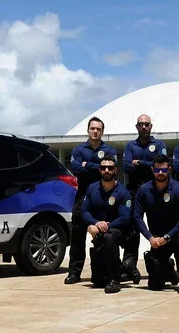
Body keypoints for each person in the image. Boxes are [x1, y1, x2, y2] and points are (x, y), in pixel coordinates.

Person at [65, 117, 118, 284]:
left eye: (98, 129)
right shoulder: (79, 149)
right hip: (83, 196)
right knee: (78, 236)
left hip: (103, 197)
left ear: (102, 131)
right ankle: (74, 273)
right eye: (93, 128)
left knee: (106, 234)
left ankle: (106, 272)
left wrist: (88, 165)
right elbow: (76, 169)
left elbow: (110, 170)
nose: (95, 131)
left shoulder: (109, 150)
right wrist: (98, 167)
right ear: (88, 130)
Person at [135, 154, 179, 294]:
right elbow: (137, 217)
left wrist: (168, 236)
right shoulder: (144, 190)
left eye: (163, 169)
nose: (160, 173)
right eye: (157, 170)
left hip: (176, 234)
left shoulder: (178, 189)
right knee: (155, 285)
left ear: (169, 169)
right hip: (157, 239)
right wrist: (150, 238)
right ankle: (168, 267)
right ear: (152, 170)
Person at [121, 114, 167, 282]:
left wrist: (139, 163)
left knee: (158, 227)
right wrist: (149, 165)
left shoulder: (159, 145)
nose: (144, 127)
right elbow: (126, 166)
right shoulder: (130, 145)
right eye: (141, 124)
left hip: (155, 191)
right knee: (132, 229)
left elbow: (161, 166)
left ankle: (160, 265)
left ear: (151, 126)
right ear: (137, 126)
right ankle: (129, 267)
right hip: (134, 191)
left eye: (147, 124)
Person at [81, 158, 132, 293]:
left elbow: (125, 218)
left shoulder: (123, 192)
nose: (107, 170)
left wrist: (103, 227)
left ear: (115, 170)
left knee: (109, 237)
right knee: (98, 282)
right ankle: (125, 268)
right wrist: (95, 223)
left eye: (110, 168)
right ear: (99, 170)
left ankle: (115, 280)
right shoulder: (92, 188)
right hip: (99, 231)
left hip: (119, 231)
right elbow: (84, 211)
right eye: (103, 168)